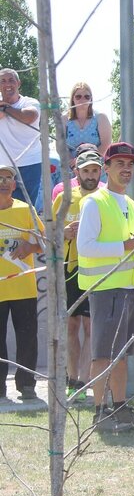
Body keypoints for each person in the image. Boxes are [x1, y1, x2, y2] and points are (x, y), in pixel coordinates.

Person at [76, 142, 134, 432]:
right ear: (106, 168)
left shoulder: (131, 204)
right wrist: (128, 245)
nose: (126, 168)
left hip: (126, 289)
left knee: (120, 354)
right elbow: (86, 247)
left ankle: (119, 408)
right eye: (119, 163)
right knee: (103, 354)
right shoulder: (95, 202)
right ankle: (100, 412)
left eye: (130, 164)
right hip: (105, 289)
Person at [53, 151, 103, 397]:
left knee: (91, 327)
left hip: (96, 269)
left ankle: (84, 381)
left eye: (94, 171)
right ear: (77, 173)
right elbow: (48, 235)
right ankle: (72, 379)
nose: (90, 176)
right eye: (86, 171)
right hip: (69, 267)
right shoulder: (63, 198)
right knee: (71, 327)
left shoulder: (106, 198)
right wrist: (64, 233)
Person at [0, 164, 43, 401]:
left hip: (23, 288)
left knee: (27, 338)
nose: (4, 182)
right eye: (0, 178)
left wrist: (31, 246)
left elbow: (45, 243)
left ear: (14, 185)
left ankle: (27, 384)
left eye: (8, 178)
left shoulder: (26, 210)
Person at [0, 68, 43, 209]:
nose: (7, 84)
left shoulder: (30, 102)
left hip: (30, 164)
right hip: (4, 166)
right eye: (3, 81)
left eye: (11, 80)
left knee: (27, 209)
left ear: (19, 83)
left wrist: (6, 109)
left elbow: (29, 117)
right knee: (5, 208)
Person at [62, 81, 112, 158]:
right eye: (78, 97)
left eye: (87, 97)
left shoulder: (101, 118)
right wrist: (70, 161)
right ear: (72, 99)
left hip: (96, 165)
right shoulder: (64, 119)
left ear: (91, 99)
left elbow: (106, 144)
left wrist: (87, 160)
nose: (82, 100)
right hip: (71, 166)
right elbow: (60, 146)